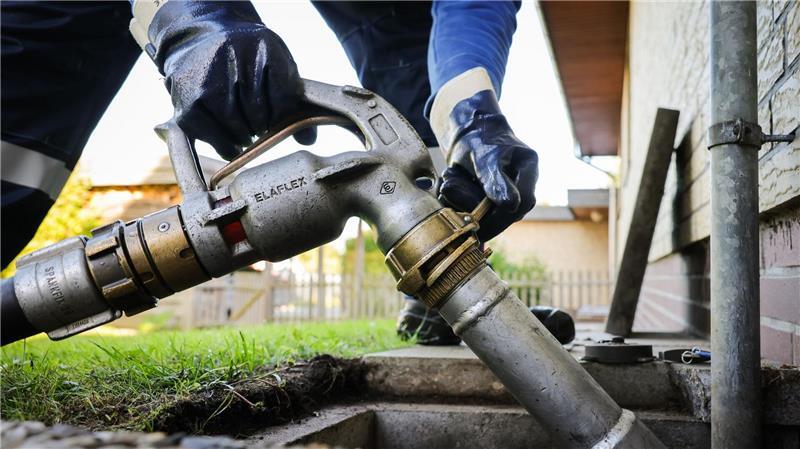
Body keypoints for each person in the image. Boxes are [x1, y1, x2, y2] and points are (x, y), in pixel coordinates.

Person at [1, 1, 572, 345]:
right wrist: (196, 22)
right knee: (30, 93)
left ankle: (441, 302)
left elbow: (473, 10)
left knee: (419, 115)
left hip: (379, 14)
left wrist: (470, 113)